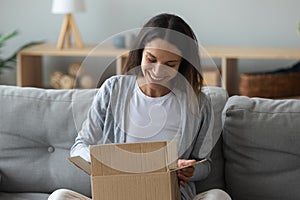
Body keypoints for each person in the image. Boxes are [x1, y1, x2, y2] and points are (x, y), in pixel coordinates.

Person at [48, 13, 231, 200]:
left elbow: (205, 164)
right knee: (59, 196)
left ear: (182, 65)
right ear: (140, 53)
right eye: (151, 59)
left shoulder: (198, 103)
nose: (158, 72)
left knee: (219, 197)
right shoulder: (113, 89)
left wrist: (190, 170)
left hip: (170, 196)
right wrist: (104, 161)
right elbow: (79, 146)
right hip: (118, 195)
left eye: (170, 64)